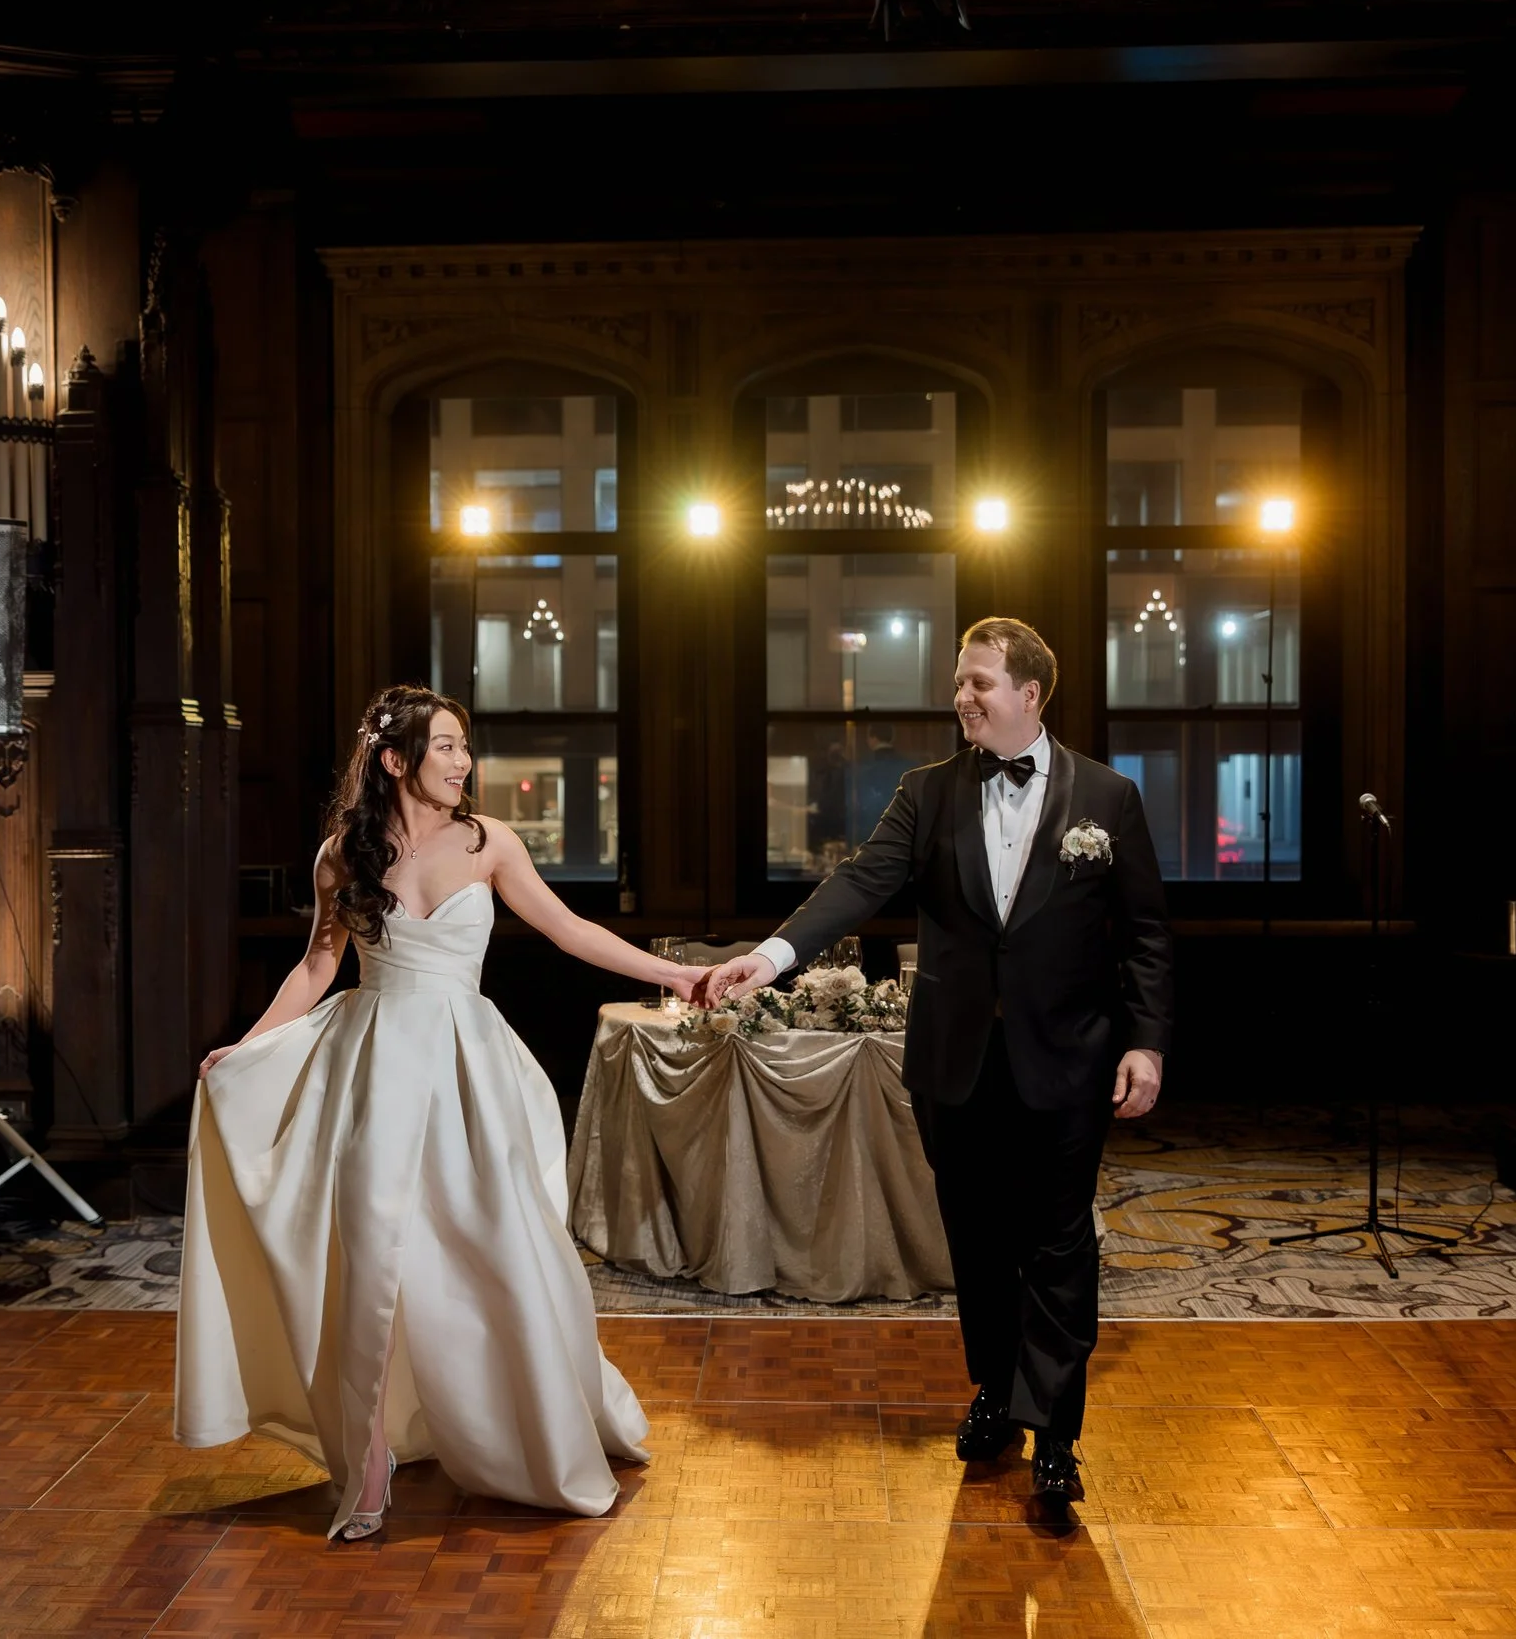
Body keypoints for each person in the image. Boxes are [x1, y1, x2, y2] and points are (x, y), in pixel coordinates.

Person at [177, 684, 702, 1542]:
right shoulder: (341, 856)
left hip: (467, 1069)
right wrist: (244, 1045)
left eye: (466, 746)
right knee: (371, 1259)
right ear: (396, 759)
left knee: (497, 1250)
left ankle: (535, 1424)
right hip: (372, 1069)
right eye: (448, 745)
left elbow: (569, 930)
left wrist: (669, 974)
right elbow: (316, 969)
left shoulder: (490, 841)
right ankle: (371, 1453)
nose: (464, 762)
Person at [699, 618, 1174, 1515]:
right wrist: (768, 956)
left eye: (981, 682)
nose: (963, 695)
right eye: (959, 680)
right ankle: (993, 1395)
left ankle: (1057, 1438)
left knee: (1060, 1243)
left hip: (1068, 1061)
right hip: (955, 1066)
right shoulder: (925, 793)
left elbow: (1145, 933)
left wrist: (1145, 1040)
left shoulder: (1109, 799)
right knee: (979, 1243)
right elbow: (857, 884)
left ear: (1030, 693)